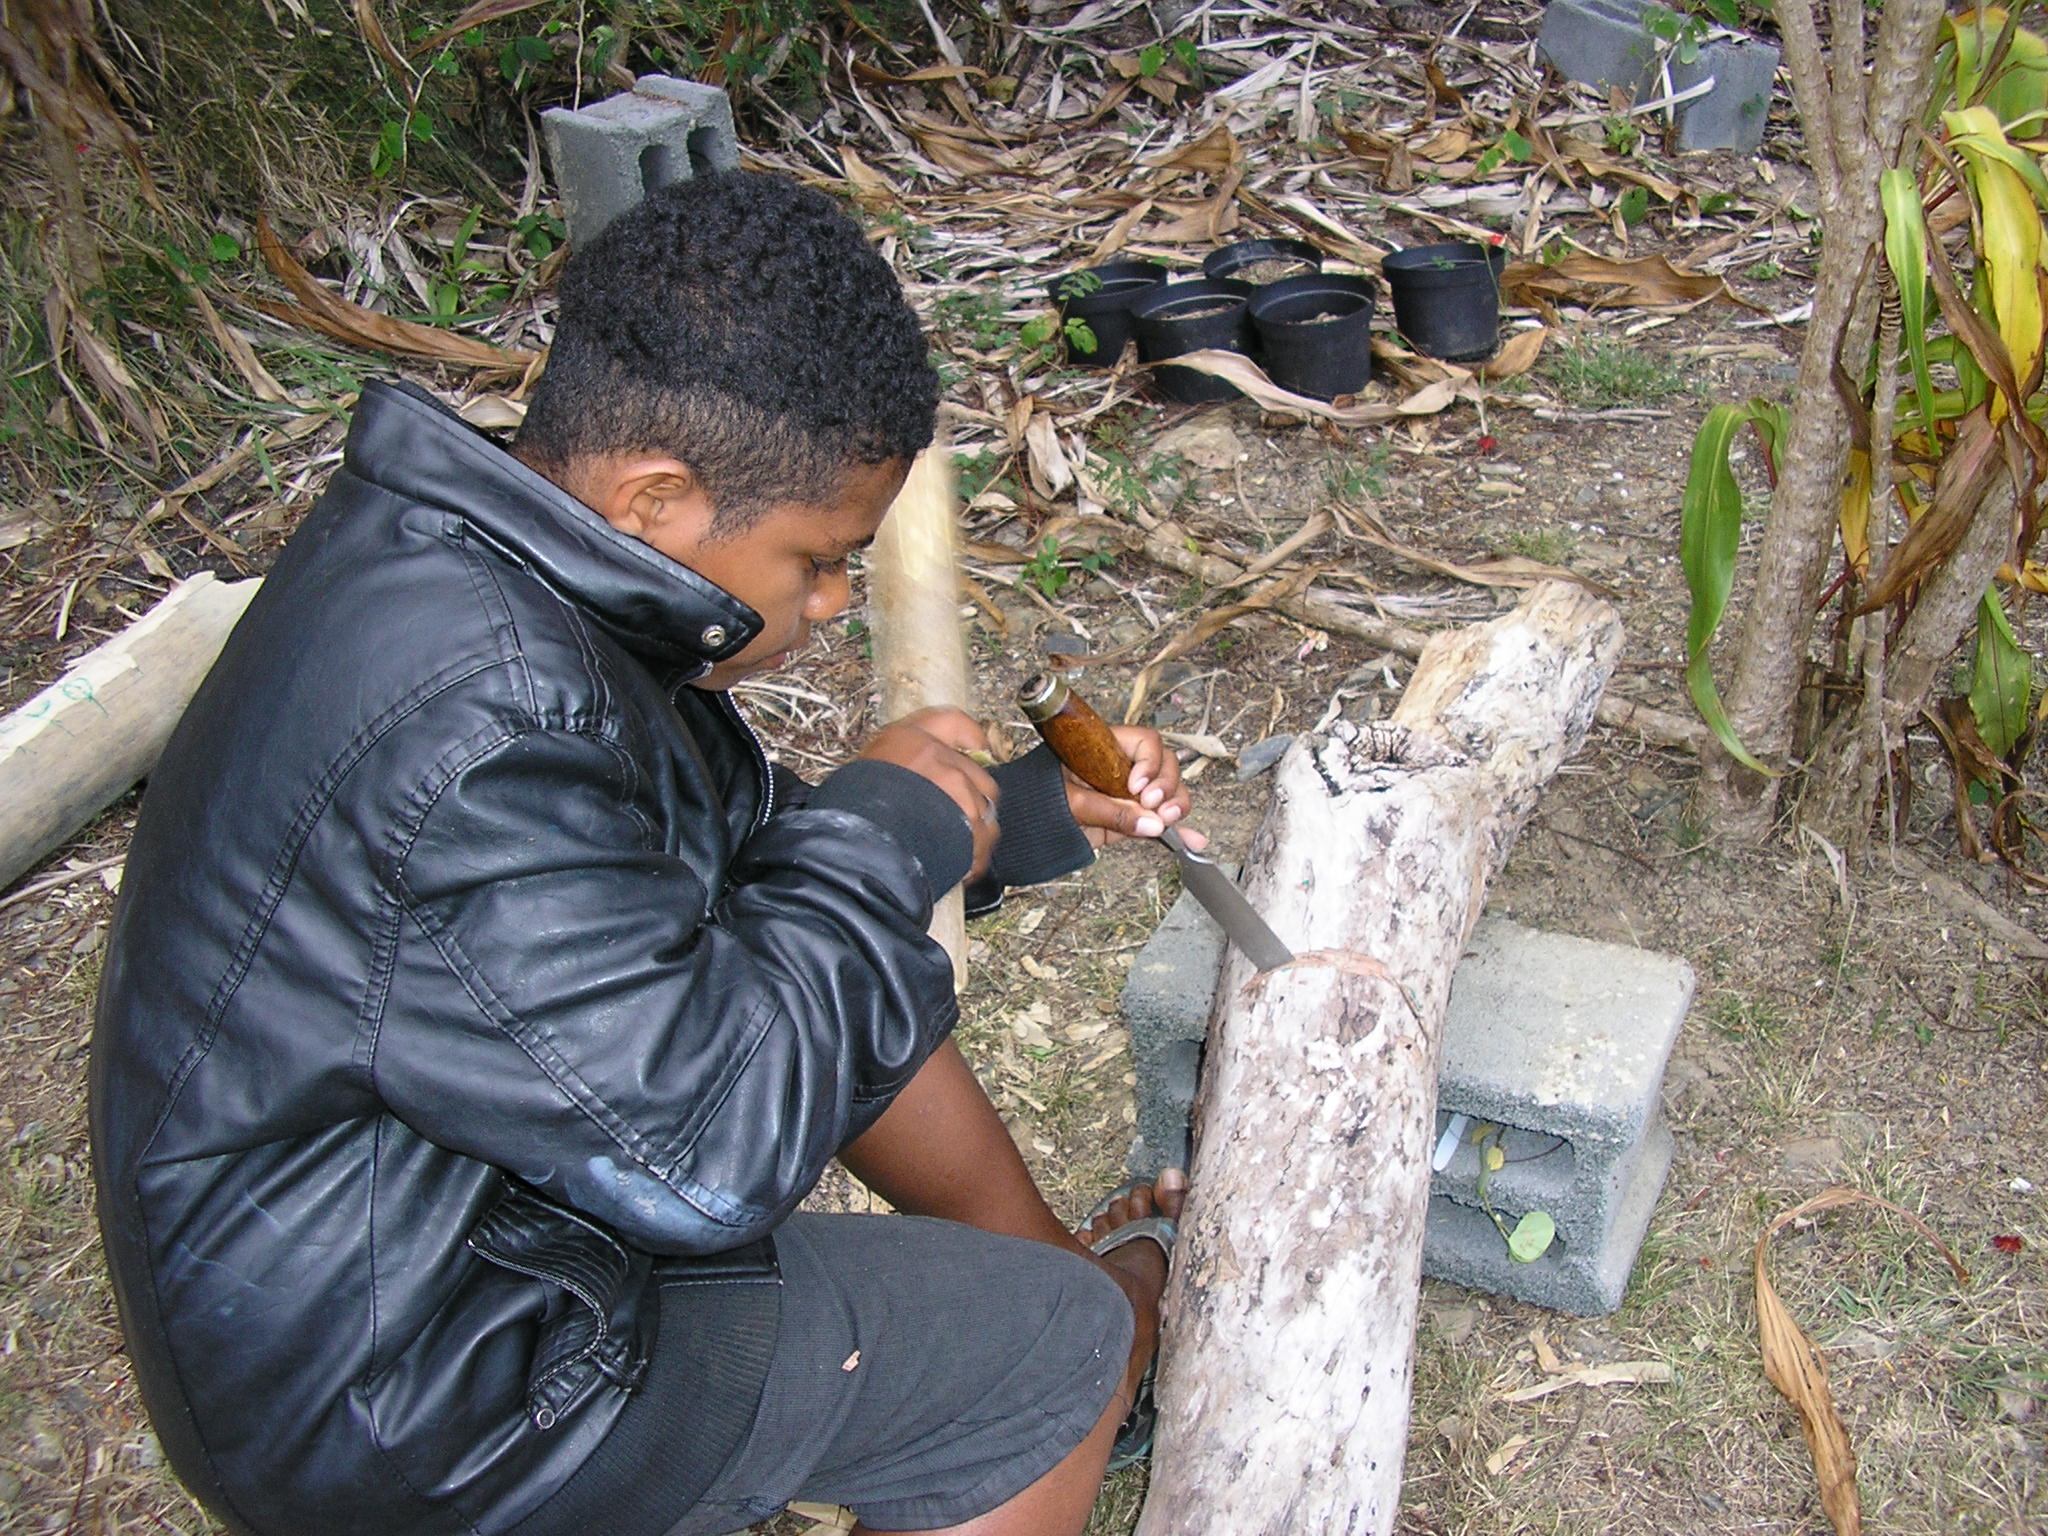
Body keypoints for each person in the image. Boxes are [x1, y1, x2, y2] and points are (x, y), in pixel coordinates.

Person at [89, 169, 1197, 1536]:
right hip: (413, 1409)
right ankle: (1083, 1337)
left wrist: (1005, 815)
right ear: (657, 496)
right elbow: (707, 1155)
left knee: (822, 960)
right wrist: (872, 841)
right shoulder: (487, 723)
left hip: (421, 1282)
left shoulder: (510, 574)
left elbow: (740, 893)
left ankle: (1048, 1277)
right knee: (1041, 1358)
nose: (834, 602)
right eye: (818, 560)